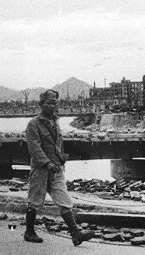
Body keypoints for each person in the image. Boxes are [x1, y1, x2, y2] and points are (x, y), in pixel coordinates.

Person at [24, 89, 95, 245]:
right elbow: (34, 147)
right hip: (41, 168)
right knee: (35, 200)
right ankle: (29, 232)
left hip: (56, 168)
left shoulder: (56, 122)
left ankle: (76, 233)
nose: (52, 106)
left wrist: (61, 158)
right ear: (41, 104)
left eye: (55, 103)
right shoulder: (33, 124)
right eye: (49, 103)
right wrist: (47, 163)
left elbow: (58, 144)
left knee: (64, 200)